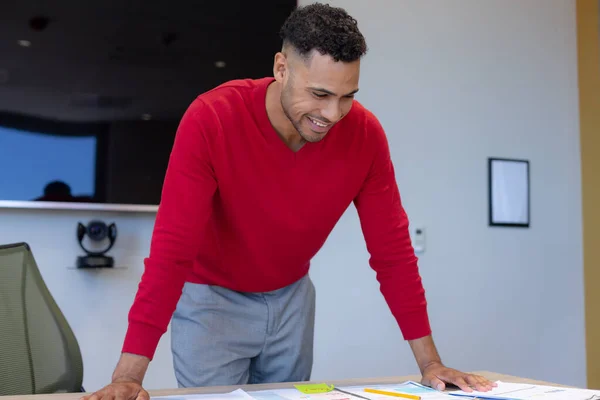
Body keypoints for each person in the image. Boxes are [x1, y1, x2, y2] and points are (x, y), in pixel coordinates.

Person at [82, 4, 496, 400]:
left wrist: (431, 364)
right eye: (319, 93)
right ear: (281, 68)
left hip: (292, 299)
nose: (332, 113)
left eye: (346, 96)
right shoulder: (212, 118)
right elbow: (172, 252)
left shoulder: (366, 136)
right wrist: (128, 377)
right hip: (211, 299)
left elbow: (393, 253)